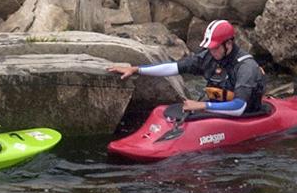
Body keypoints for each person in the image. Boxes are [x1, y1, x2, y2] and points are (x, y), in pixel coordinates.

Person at [107, 19, 266, 117]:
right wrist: (136, 69)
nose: (211, 51)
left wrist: (202, 106)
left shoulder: (246, 67)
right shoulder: (209, 57)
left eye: (215, 48)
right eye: (210, 48)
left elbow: (239, 107)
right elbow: (174, 67)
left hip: (246, 115)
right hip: (217, 110)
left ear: (229, 44)